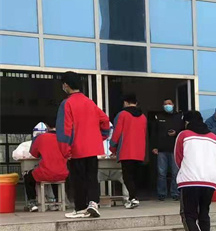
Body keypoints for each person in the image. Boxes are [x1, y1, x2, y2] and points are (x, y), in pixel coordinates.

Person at [57, 71, 110, 219]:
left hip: (76, 148)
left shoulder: (67, 103)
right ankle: (93, 203)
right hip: (92, 148)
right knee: (91, 177)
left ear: (66, 85)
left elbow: (65, 128)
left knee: (78, 179)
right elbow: (105, 120)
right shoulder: (90, 102)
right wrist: (101, 137)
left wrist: (65, 150)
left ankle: (80, 208)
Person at [176, 111, 216, 231]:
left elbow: (178, 157)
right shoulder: (214, 137)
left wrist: (187, 169)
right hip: (210, 180)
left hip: (190, 180)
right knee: (204, 212)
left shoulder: (184, 135)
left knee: (188, 215)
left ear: (187, 122)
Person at [110, 94, 147, 209]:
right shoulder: (143, 117)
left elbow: (116, 133)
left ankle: (133, 198)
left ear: (125, 102)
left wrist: (113, 148)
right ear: (136, 103)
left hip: (126, 150)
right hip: (139, 151)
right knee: (135, 176)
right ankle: (134, 197)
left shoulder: (122, 115)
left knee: (127, 176)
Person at [24, 123, 68, 212]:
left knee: (28, 176)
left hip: (45, 172)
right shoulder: (64, 138)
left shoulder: (41, 138)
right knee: (55, 178)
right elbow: (68, 153)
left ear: (47, 128)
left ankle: (32, 203)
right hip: (62, 173)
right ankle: (57, 200)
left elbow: (34, 154)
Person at [150, 98, 183, 201]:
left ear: (173, 105)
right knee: (161, 173)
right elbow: (154, 133)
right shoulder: (158, 117)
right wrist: (154, 147)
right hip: (161, 149)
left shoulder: (179, 116)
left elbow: (182, 131)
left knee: (175, 173)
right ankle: (161, 194)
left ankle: (175, 193)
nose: (167, 105)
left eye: (169, 103)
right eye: (165, 104)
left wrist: (176, 133)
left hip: (175, 149)